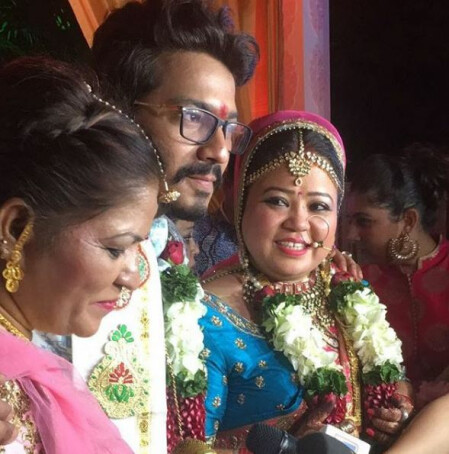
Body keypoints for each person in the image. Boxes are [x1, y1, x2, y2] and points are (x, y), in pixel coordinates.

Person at [64, 1, 259, 452]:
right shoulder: (48, 241)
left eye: (229, 129)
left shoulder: (166, 248)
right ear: (119, 110)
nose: (220, 151)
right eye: (195, 118)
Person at [199, 111, 413, 452]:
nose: (299, 222)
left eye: (319, 206)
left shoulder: (347, 288)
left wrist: (396, 412)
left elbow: (395, 379)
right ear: (241, 203)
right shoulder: (203, 314)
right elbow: (184, 445)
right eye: (277, 201)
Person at [0, 56, 161, 452]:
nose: (133, 277)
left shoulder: (35, 381)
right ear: (16, 230)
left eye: (136, 249)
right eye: (115, 248)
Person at [346, 146, 449, 389]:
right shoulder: (360, 281)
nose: (351, 235)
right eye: (350, 222)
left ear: (408, 221)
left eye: (364, 221)